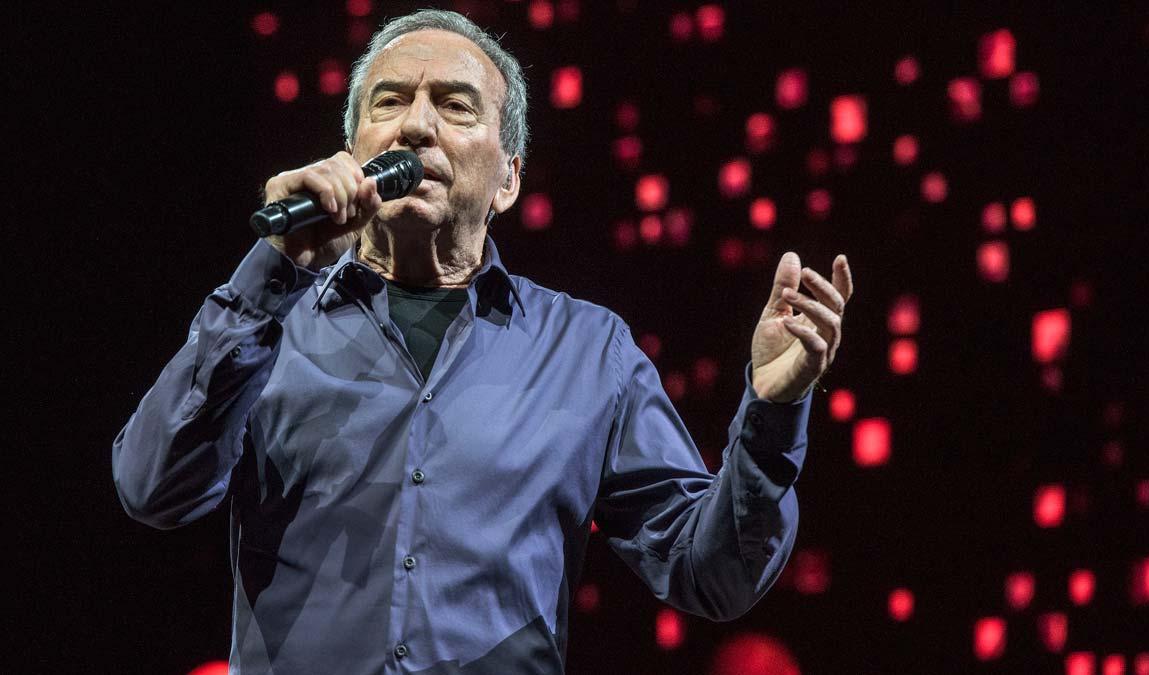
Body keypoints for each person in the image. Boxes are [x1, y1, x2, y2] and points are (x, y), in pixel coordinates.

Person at [112, 9, 853, 674]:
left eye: (455, 105)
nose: (415, 126)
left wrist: (772, 412)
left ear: (508, 179)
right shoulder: (268, 327)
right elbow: (153, 488)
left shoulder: (589, 352)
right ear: (350, 149)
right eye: (390, 101)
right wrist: (273, 274)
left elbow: (712, 573)